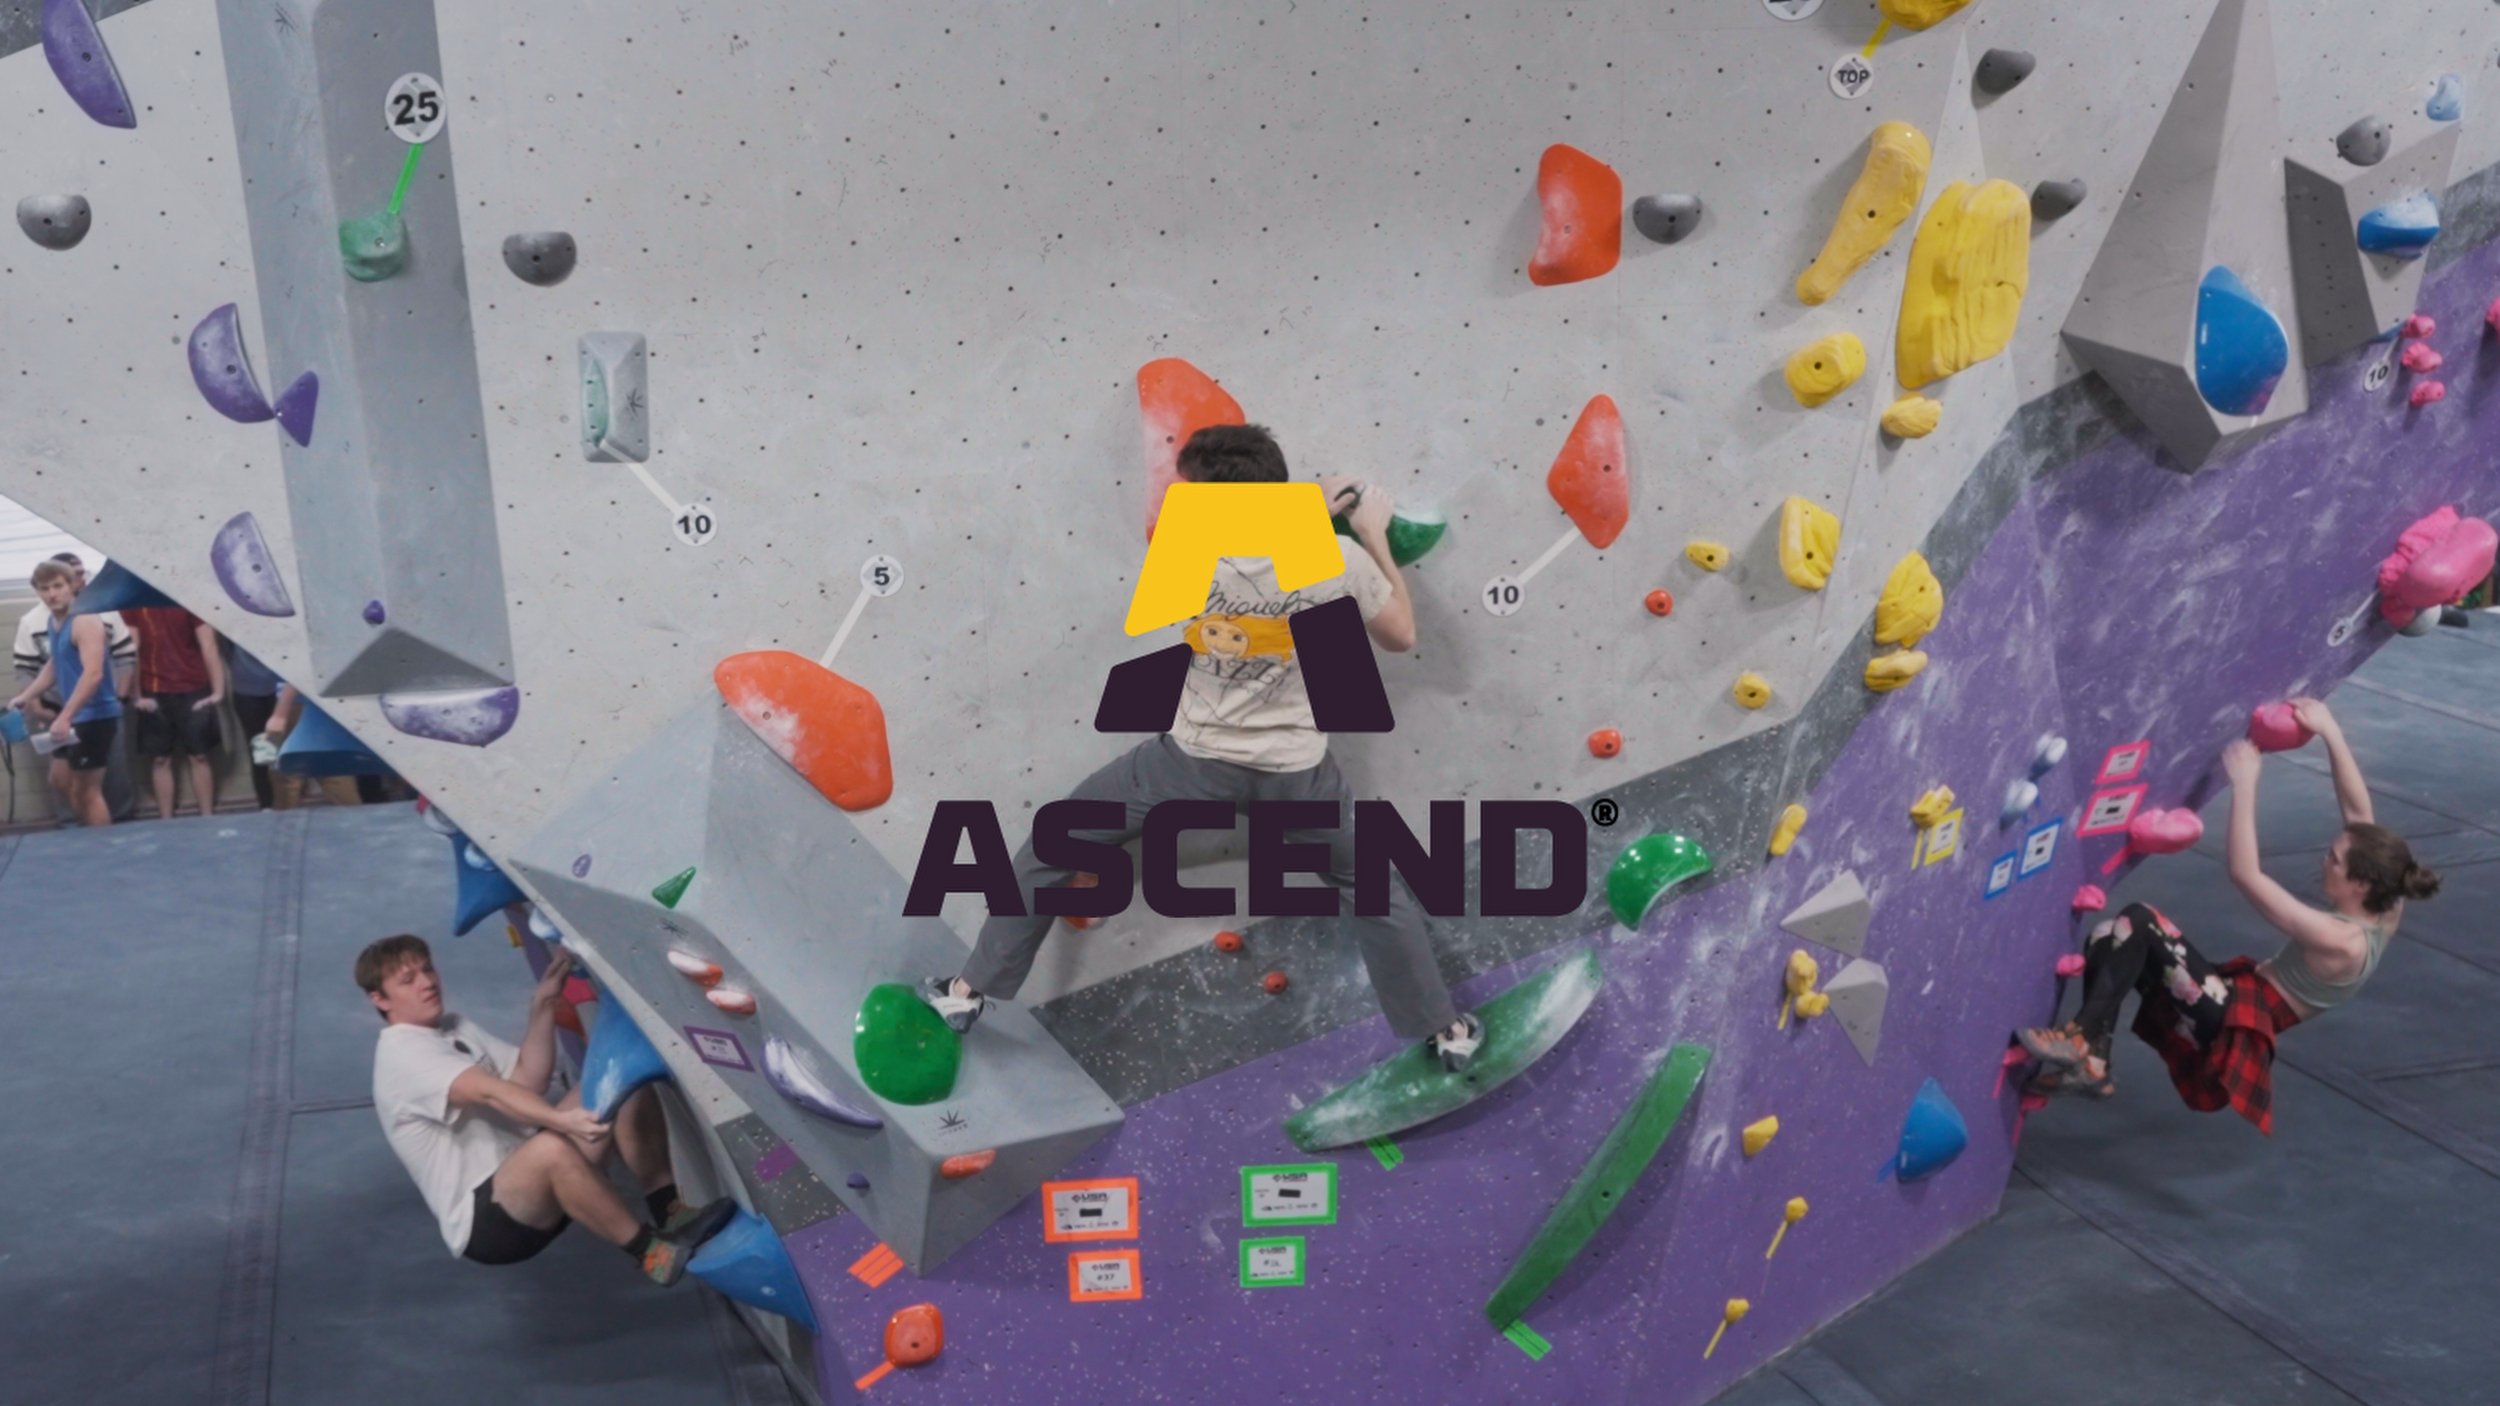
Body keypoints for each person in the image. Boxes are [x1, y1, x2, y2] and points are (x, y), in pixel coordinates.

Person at [919, 423, 1485, 1072]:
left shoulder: (1185, 554)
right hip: (1295, 776)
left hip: (1187, 767)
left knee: (1054, 843)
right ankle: (1446, 1033)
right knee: (1373, 891)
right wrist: (1373, 534)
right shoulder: (1339, 562)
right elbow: (1401, 634)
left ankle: (966, 995)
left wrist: (1299, 514)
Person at [2019, 699, 2440, 1132]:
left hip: (2228, 1019)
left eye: (2333, 860)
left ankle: (2079, 1036)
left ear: (2360, 885)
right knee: (2108, 936)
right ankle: (2092, 1063)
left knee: (2140, 920)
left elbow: (2245, 875)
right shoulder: (2387, 900)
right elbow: (2358, 815)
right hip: (2231, 996)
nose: (2324, 861)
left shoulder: (2341, 940)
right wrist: (2330, 731)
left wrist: (2246, 784)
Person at [358, 934, 737, 1280]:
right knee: (550, 1150)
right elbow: (489, 1092)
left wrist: (543, 1005)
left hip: (525, 1176)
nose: (427, 982)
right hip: (487, 1224)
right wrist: (561, 1120)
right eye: (408, 980)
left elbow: (527, 1081)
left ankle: (669, 1209)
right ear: (380, 999)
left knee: (615, 1077)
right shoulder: (401, 1055)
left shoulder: (452, 1027)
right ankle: (653, 1255)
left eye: (427, 969)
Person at [6, 560, 122, 827]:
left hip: (93, 717)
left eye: (58, 586)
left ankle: (105, 851)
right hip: (75, 716)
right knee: (60, 781)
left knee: (87, 791)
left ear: (73, 587)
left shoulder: (85, 620)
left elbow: (93, 674)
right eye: (45, 588)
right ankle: (90, 839)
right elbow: (55, 663)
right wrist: (25, 696)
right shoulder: (54, 621)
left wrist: (65, 717)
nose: (52, 594)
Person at [123, 603, 227, 820]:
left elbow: (209, 645)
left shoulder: (187, 598)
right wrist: (136, 694)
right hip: (154, 689)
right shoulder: (134, 602)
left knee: (199, 756)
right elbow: (132, 648)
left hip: (193, 687)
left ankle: (207, 816)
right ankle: (166, 821)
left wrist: (218, 691)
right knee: (160, 760)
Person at [226, 641, 284, 810]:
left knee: (284, 751)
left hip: (280, 687)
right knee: (260, 752)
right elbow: (225, 648)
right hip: (246, 689)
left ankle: (286, 802)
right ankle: (266, 805)